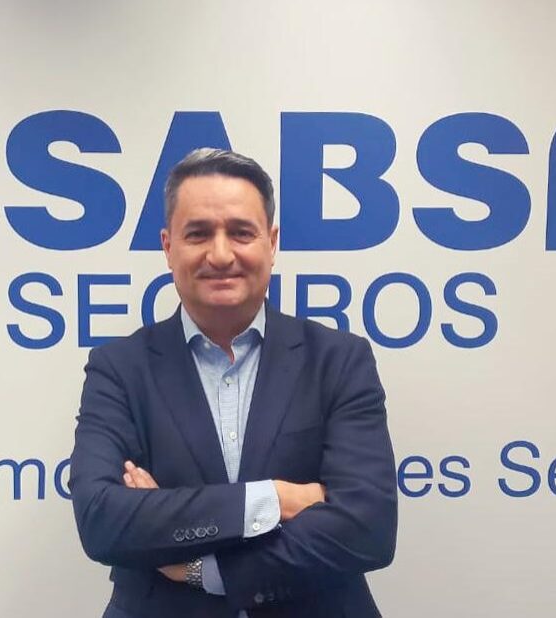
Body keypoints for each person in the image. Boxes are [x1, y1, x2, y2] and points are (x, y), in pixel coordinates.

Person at [70, 148, 397, 617]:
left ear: (272, 242)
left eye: (241, 232)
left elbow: (368, 528)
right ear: (168, 247)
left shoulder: (339, 361)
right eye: (198, 234)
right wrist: (274, 498)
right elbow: (102, 519)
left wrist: (206, 569)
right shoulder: (119, 369)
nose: (221, 255)